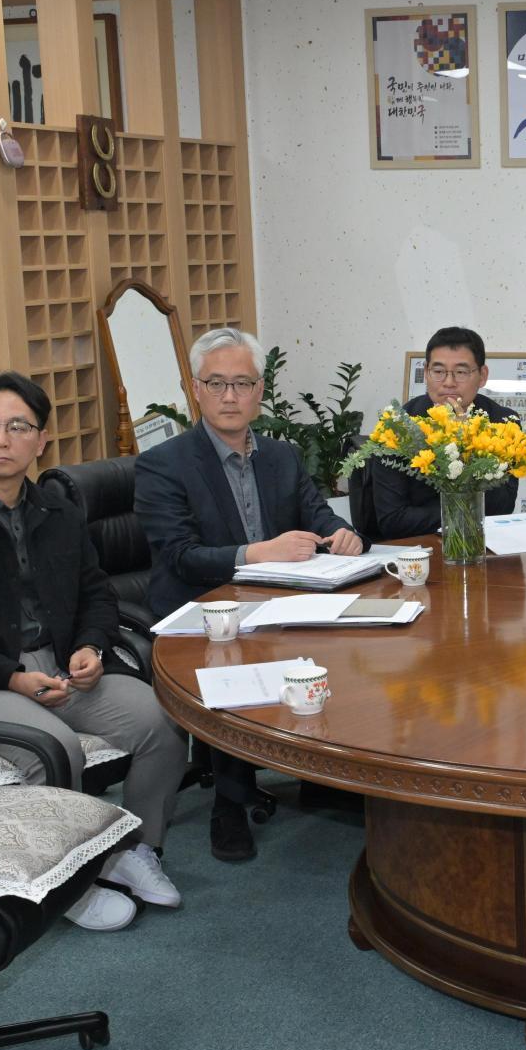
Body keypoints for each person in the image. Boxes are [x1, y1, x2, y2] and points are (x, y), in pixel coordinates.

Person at [0, 372, 187, 931]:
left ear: (40, 441)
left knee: (163, 719)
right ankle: (70, 882)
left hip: (62, 668)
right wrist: (10, 676)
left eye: (17, 427)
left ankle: (134, 851)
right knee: (54, 749)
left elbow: (97, 593)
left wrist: (91, 645)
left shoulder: (58, 512)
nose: (0, 439)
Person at [134, 328, 365, 862]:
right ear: (196, 389)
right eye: (218, 383)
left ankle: (319, 776)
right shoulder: (164, 463)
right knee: (232, 661)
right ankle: (229, 805)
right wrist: (256, 553)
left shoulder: (282, 456)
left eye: (243, 383)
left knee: (344, 645)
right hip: (202, 605)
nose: (231, 396)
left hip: (281, 597)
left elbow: (318, 513)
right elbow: (179, 554)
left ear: (261, 391)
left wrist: (340, 533)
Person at [371, 326, 519, 538]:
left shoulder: (502, 422)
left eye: (460, 372)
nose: (448, 383)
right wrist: (464, 509)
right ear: (426, 372)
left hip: (483, 545)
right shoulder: (397, 427)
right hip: (417, 549)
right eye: (439, 372)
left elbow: (503, 506)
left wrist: (466, 437)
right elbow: (392, 520)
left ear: (482, 375)